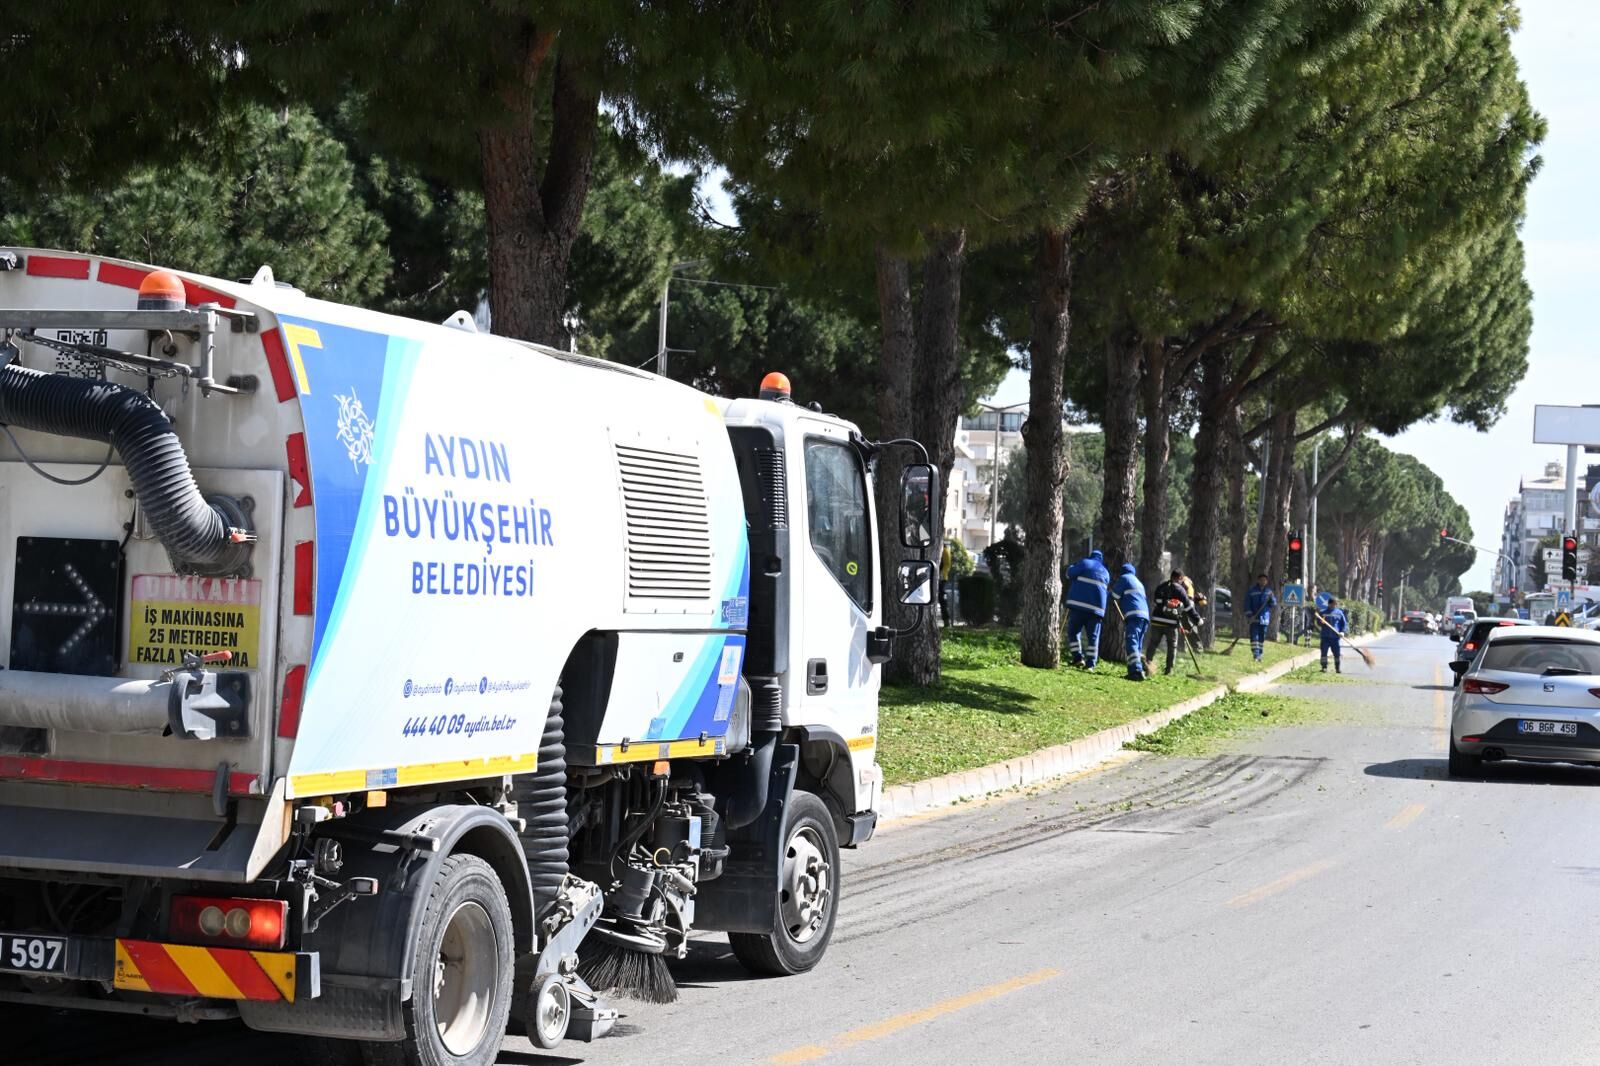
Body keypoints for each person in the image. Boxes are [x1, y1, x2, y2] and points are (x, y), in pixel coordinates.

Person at [1148, 569, 1202, 675]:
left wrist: (1165, 604)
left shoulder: (1161, 586)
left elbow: (1156, 601)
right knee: (1172, 646)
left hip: (1157, 621)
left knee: (1153, 643)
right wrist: (1197, 619)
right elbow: (1188, 607)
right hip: (1171, 624)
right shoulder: (1180, 589)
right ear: (1180, 578)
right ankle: (1169, 670)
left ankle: (1147, 663)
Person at [1064, 548, 1110, 668]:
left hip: (1079, 606)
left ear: (1091, 556)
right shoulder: (1105, 572)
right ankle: (1091, 664)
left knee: (1073, 632)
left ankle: (1077, 658)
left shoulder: (1085, 563)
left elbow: (1069, 574)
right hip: (1096, 611)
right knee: (1093, 638)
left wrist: (1072, 566)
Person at [1112, 563, 1149, 680]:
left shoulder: (1124, 578)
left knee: (1131, 641)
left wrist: (1109, 593)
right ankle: (1138, 668)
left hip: (1134, 614)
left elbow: (1114, 595)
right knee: (1137, 644)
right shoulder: (1139, 582)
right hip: (1145, 616)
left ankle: (1136, 671)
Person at [1245, 574, 1277, 662]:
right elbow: (1247, 604)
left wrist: (1272, 599)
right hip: (1254, 618)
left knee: (1262, 637)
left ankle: (1260, 654)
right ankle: (1256, 654)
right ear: (1258, 581)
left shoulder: (1269, 592)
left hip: (1264, 618)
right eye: (1261, 580)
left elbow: (1273, 604)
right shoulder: (1252, 591)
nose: (1263, 582)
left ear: (1266, 581)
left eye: (1265, 580)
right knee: (1254, 636)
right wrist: (1249, 615)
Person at [1319, 596, 1349, 673]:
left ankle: (1337, 668)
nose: (1334, 605)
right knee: (1324, 653)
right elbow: (1318, 623)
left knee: (1337, 654)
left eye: (1335, 604)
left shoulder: (1339, 613)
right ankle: (1324, 667)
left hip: (1335, 637)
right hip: (1325, 637)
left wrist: (1342, 631)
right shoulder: (1323, 613)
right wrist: (1321, 622)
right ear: (1329, 604)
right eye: (1332, 604)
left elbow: (1344, 624)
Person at [939, 541, 953, 627]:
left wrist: (941, 575)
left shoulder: (945, 551)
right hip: (936, 577)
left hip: (941, 578)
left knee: (942, 599)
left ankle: (946, 621)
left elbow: (947, 565)